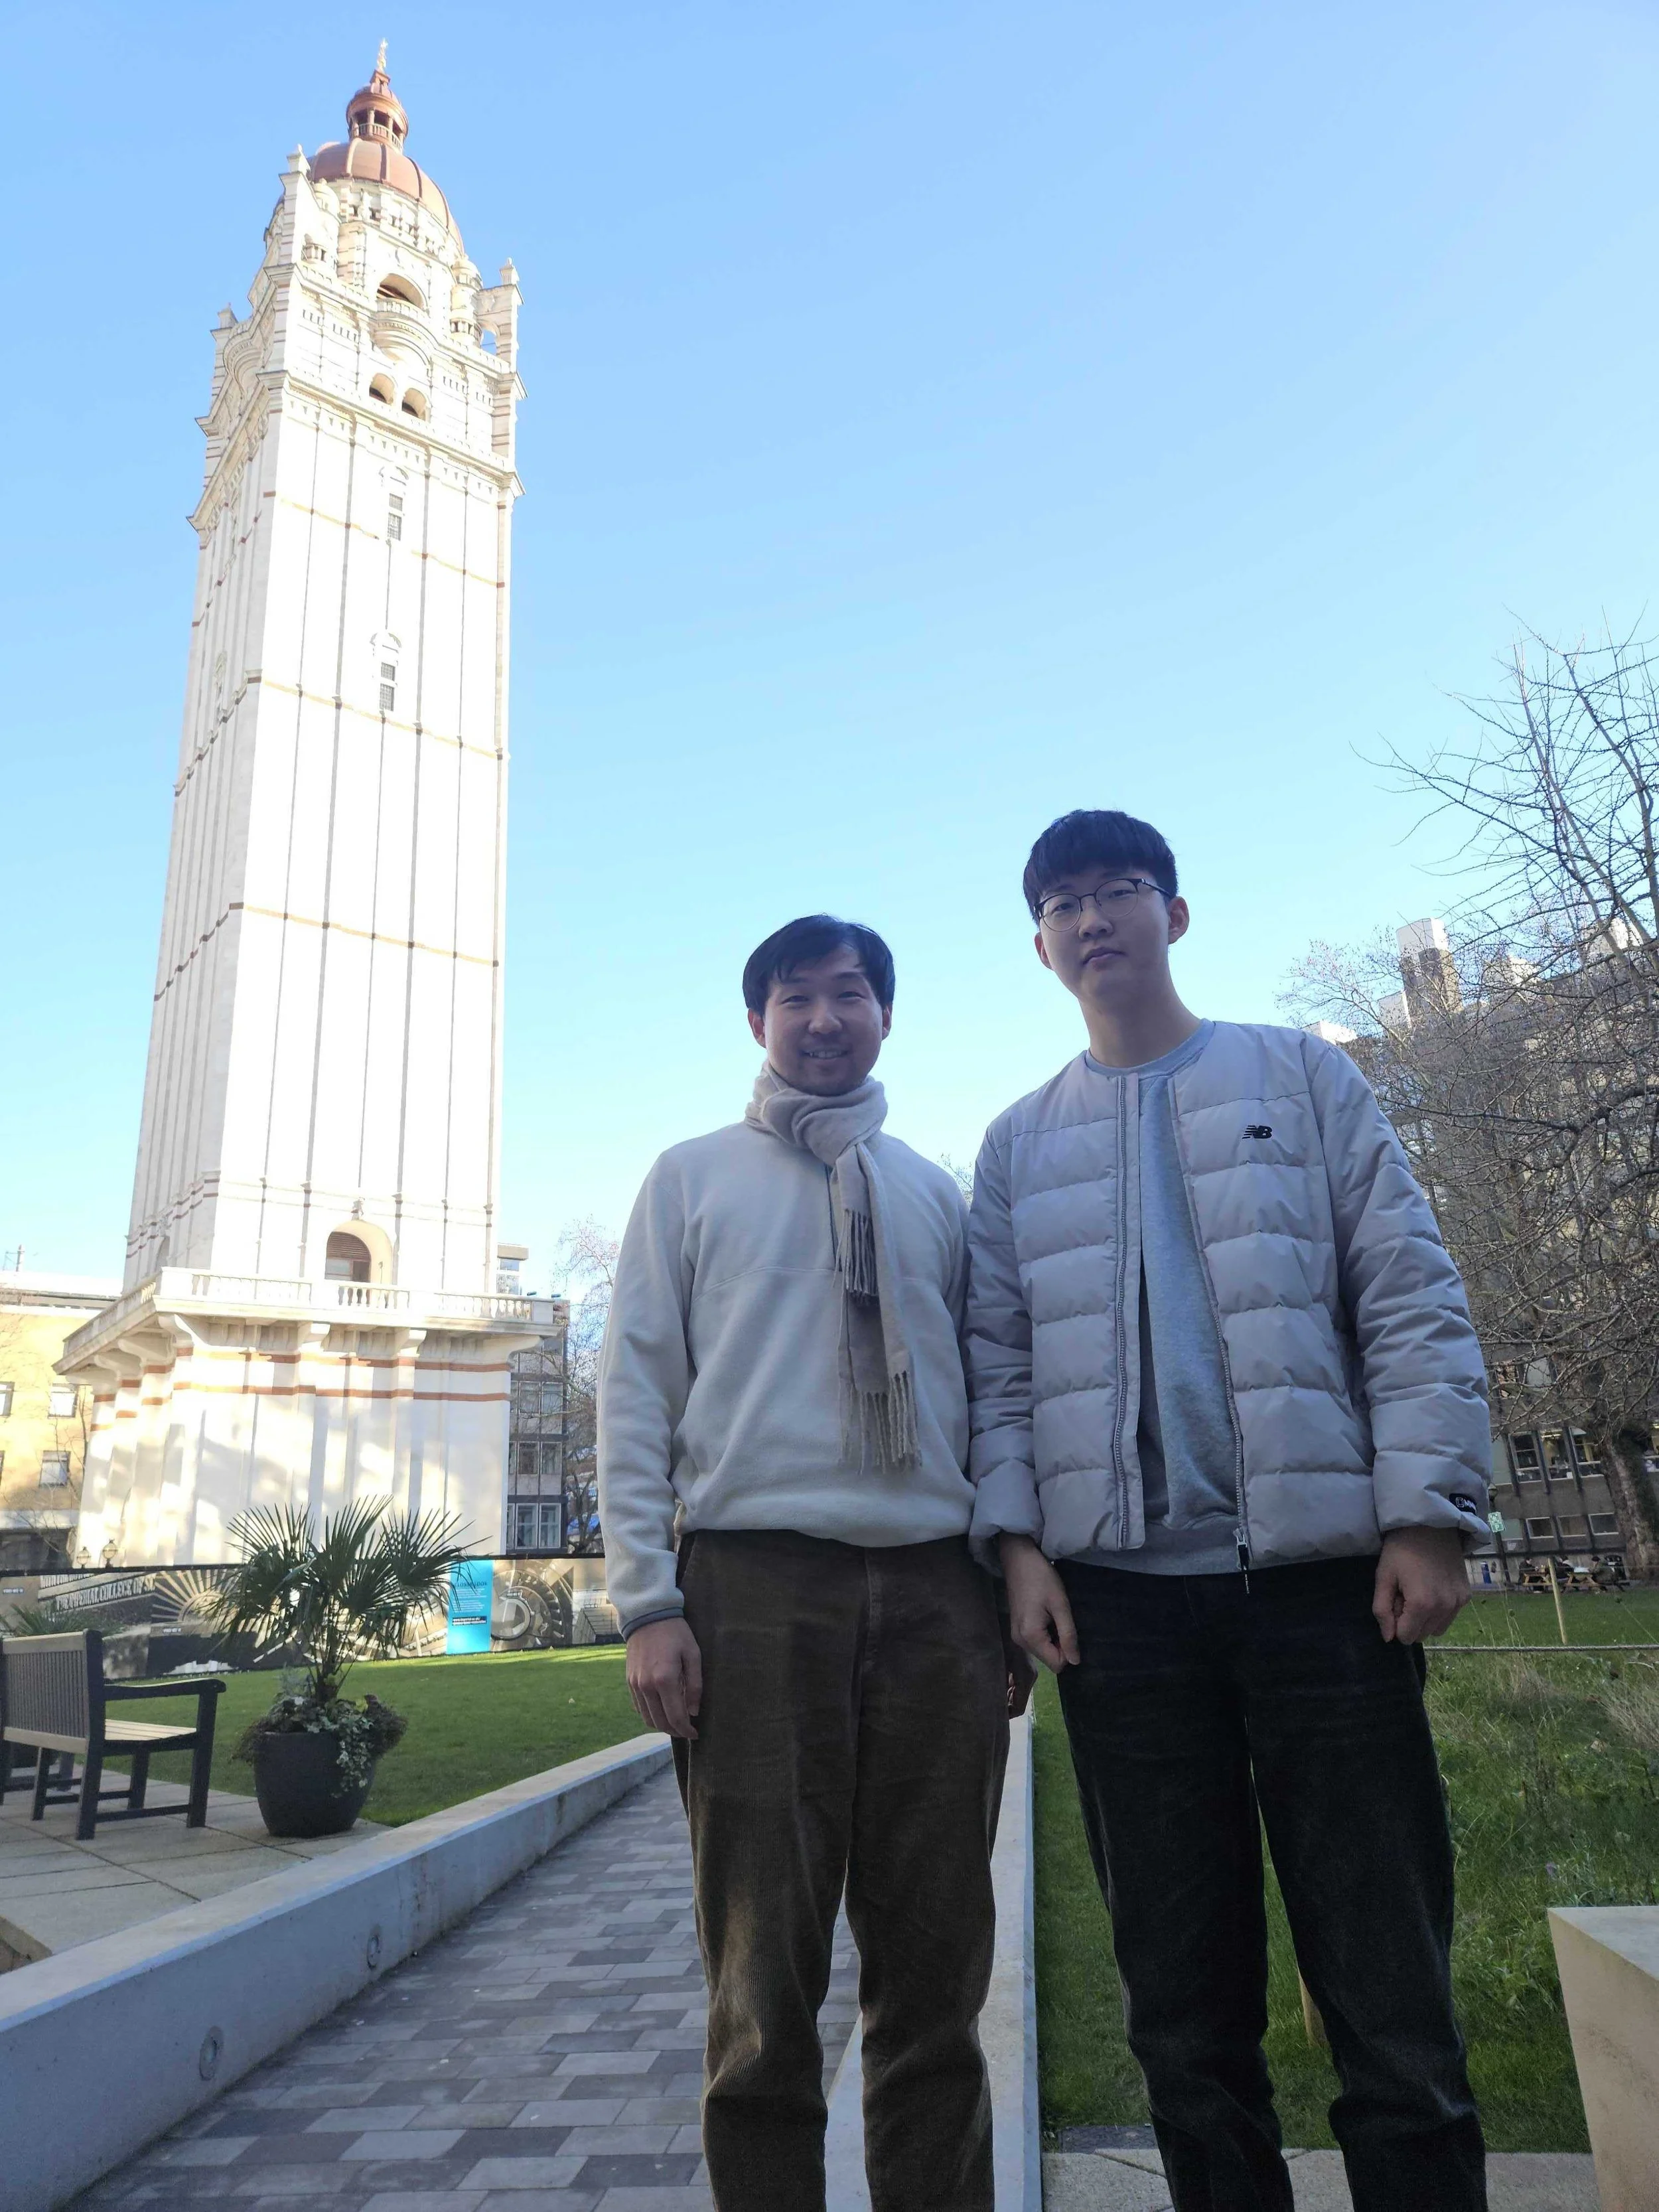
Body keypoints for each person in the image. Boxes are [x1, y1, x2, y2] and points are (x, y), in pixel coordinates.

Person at [967, 810, 1494, 2212]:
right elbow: (999, 1369)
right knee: (1180, 2012)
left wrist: (1425, 1510)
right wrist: (1016, 1549)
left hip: (1323, 1595)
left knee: (1387, 1988)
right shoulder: (1016, 1148)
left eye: (1118, 889)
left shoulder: (1300, 1076)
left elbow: (1404, 1288)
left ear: (1173, 915)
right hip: (1122, 1615)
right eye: (1065, 901)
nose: (1093, 918)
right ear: (1038, 945)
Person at [597, 914, 1013, 2212]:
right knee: (762, 1985)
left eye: (849, 993)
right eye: (795, 997)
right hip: (753, 1591)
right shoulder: (689, 1178)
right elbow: (632, 1397)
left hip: (939, 1595)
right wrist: (644, 1605)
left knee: (935, 1981)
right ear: (757, 1024)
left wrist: (1001, 1583)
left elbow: (991, 1397)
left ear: (887, 1017)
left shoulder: (936, 1192)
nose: (823, 1017)